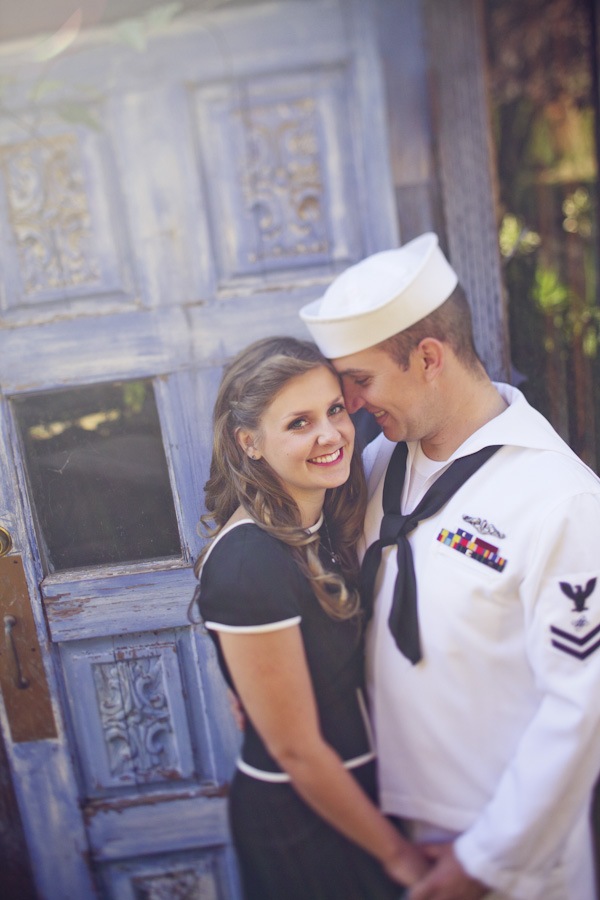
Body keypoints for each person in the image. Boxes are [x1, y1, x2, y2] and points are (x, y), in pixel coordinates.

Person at [299, 232, 600, 900]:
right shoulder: (376, 466)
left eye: (361, 379)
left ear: (429, 357)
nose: (349, 402)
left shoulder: (561, 501)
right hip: (394, 839)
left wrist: (482, 864)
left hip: (507, 858)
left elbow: (580, 711)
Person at [190, 336, 429, 899]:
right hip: (305, 822)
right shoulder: (249, 561)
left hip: (363, 794)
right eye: (299, 423)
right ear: (248, 442)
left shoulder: (325, 524)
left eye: (335, 410)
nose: (330, 435)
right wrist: (402, 860)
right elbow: (296, 749)